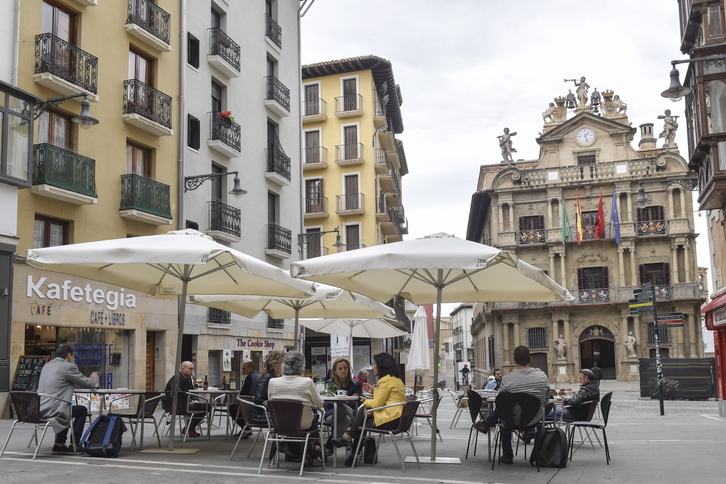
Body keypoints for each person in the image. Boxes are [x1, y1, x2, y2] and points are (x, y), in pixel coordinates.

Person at [473, 346, 549, 464]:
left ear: (514, 360)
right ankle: (538, 452)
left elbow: (502, 402)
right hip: (534, 419)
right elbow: (546, 401)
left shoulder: (507, 379)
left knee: (505, 413)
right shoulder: (542, 377)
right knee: (507, 410)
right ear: (531, 359)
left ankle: (507, 453)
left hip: (511, 420)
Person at [330, 352, 407, 467]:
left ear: (382, 365)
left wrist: (365, 401)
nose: (373, 367)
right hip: (398, 418)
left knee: (363, 416)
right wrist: (374, 391)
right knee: (362, 422)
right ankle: (351, 450)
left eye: (375, 364)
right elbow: (387, 398)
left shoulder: (385, 381)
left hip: (391, 420)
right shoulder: (395, 379)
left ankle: (349, 440)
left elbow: (376, 404)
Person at [38, 344, 99, 455]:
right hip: (55, 409)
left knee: (66, 407)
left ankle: (59, 444)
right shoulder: (68, 367)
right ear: (69, 355)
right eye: (73, 357)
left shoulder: (47, 365)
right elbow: (87, 383)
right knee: (81, 410)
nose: (73, 359)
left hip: (40, 409)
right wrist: (94, 376)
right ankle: (74, 444)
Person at [268, 351, 325, 466]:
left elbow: (270, 400)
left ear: (284, 365)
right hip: (302, 425)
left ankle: (310, 452)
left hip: (279, 424)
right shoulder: (307, 382)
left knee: (309, 416)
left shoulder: (272, 382)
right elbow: (319, 404)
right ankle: (316, 446)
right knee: (313, 417)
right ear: (302, 366)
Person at [324, 358, 363, 451]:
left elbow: (357, 403)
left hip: (352, 413)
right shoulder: (330, 384)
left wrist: (342, 401)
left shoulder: (355, 384)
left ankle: (328, 446)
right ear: (335, 371)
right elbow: (328, 404)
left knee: (343, 407)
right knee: (346, 419)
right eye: (340, 369)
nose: (343, 371)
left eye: (345, 368)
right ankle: (331, 445)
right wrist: (347, 401)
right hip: (332, 414)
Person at [162, 361, 207, 438]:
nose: (192, 371)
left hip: (184, 403)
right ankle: (189, 429)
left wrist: (196, 400)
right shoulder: (176, 380)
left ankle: (189, 428)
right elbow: (178, 394)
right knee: (200, 407)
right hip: (174, 405)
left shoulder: (188, 379)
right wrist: (191, 401)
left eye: (193, 369)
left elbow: (192, 392)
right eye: (190, 369)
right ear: (183, 369)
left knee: (207, 406)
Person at [248, 350, 286, 425]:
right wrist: (273, 405)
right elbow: (258, 399)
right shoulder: (267, 378)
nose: (285, 367)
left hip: (269, 413)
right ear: (275, 366)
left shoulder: (275, 376)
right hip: (262, 415)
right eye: (283, 364)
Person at [230, 361, 260, 439]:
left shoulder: (249, 377)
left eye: (244, 369)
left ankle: (245, 428)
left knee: (232, 408)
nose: (242, 371)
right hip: (257, 403)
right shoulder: (259, 376)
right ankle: (246, 429)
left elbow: (243, 394)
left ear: (251, 369)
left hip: (250, 404)